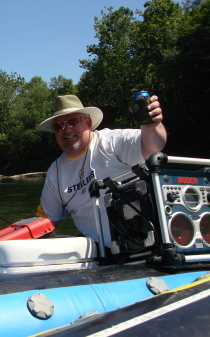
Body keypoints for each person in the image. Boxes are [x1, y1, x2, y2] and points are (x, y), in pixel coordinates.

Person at [36, 94, 166, 248]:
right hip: (98, 256)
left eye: (73, 122)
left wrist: (151, 126)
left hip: (145, 245)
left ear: (88, 123)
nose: (66, 130)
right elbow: (46, 221)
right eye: (59, 126)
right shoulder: (54, 172)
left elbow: (153, 146)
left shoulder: (111, 142)